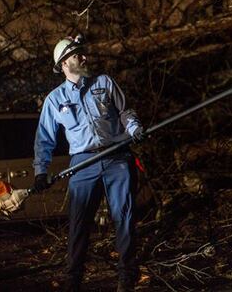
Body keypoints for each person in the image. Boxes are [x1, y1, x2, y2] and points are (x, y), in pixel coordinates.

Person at [33, 34, 144, 292]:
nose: (83, 57)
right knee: (79, 222)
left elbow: (126, 110)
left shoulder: (104, 83)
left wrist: (134, 126)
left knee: (124, 217)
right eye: (76, 55)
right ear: (63, 64)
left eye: (82, 53)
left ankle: (127, 275)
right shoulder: (54, 100)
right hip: (83, 164)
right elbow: (44, 139)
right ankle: (73, 279)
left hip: (117, 155)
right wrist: (41, 172)